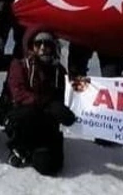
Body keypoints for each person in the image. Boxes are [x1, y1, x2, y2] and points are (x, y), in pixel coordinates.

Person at [4, 29, 77, 176]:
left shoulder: (59, 71)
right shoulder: (20, 65)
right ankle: (19, 147)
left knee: (50, 166)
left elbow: (65, 96)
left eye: (47, 44)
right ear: (32, 46)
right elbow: (18, 94)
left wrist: (66, 110)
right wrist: (47, 104)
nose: (43, 48)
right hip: (24, 118)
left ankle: (34, 153)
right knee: (29, 113)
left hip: (46, 123)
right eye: (38, 43)